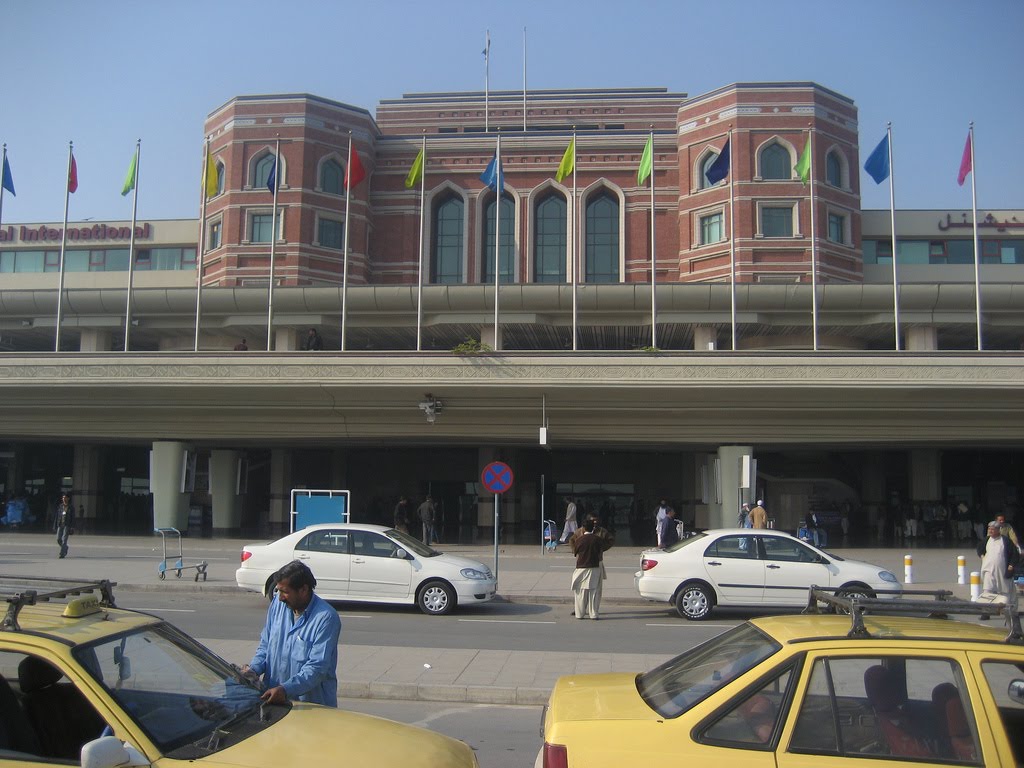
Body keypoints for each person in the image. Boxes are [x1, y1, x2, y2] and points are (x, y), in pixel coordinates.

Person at [243, 560, 341, 706]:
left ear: (303, 590)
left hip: (310, 706)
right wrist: (253, 670)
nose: (280, 597)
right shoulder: (278, 604)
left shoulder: (326, 617)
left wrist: (285, 690)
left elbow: (317, 667)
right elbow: (266, 646)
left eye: (285, 592)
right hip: (275, 702)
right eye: (278, 591)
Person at [569, 515, 614, 619]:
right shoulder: (598, 538)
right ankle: (593, 613)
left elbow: (574, 548)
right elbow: (603, 545)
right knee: (594, 591)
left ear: (584, 527)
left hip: (581, 565)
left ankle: (579, 613)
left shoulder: (580, 539)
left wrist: (577, 552)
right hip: (595, 565)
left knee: (580, 591)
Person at [977, 520, 1018, 602]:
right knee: (987, 590)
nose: (990, 531)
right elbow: (979, 549)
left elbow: (1015, 554)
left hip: (1002, 571)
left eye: (992, 529)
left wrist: (1011, 565)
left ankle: (1006, 609)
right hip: (988, 570)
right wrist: (983, 557)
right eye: (989, 529)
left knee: (1004, 592)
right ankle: (986, 611)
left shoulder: (1005, 541)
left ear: (998, 530)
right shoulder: (987, 540)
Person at [54, 493, 73, 558]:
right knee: (58, 539)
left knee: (64, 539)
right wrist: (55, 525)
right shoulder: (60, 506)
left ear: (68, 498)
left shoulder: (71, 507)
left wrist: (72, 527)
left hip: (67, 525)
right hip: (60, 524)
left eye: (65, 497)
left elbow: (73, 517)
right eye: (63, 497)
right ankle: (65, 547)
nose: (63, 499)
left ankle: (62, 554)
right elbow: (57, 516)